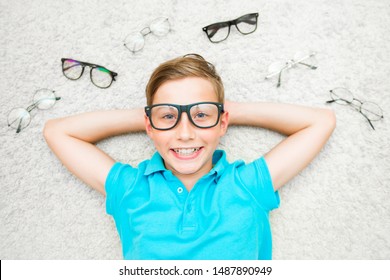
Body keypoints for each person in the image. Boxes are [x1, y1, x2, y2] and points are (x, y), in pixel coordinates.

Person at [43, 54, 336, 260]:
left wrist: (221, 109)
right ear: (149, 126)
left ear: (223, 122)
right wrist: (156, 115)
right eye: (169, 117)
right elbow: (57, 131)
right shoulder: (131, 189)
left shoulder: (247, 184)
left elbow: (321, 121)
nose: (185, 133)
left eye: (201, 116)